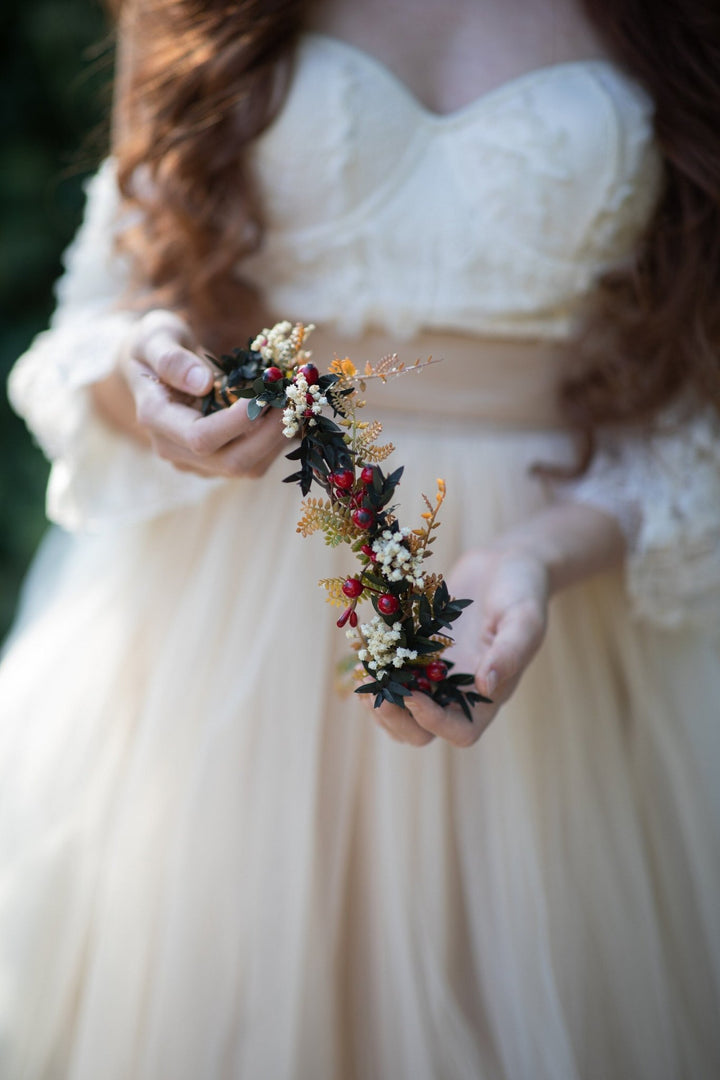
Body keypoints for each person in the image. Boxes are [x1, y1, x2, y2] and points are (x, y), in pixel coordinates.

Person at [1, 0, 719, 1076]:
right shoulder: (202, 13)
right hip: (226, 615)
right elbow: (107, 315)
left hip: (559, 606)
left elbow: (693, 403)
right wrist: (147, 381)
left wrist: (539, 556)